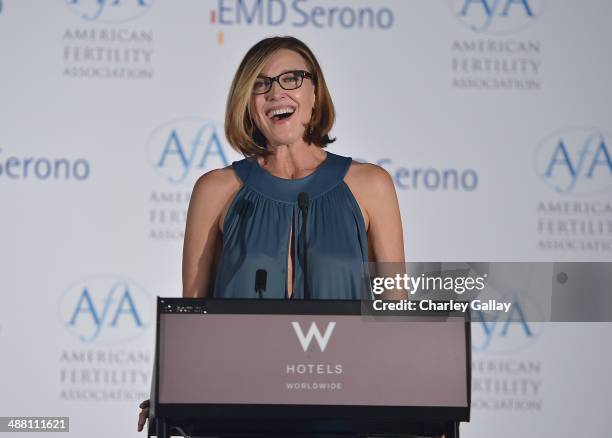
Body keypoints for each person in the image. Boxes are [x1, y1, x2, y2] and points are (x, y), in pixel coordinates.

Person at [138, 35, 404, 433]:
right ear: (248, 103)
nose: (276, 92)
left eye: (291, 79)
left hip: (346, 411)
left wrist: (422, 401)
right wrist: (170, 393)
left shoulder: (371, 185)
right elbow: (192, 316)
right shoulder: (215, 190)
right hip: (239, 411)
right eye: (261, 84)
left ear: (316, 94)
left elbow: (396, 312)